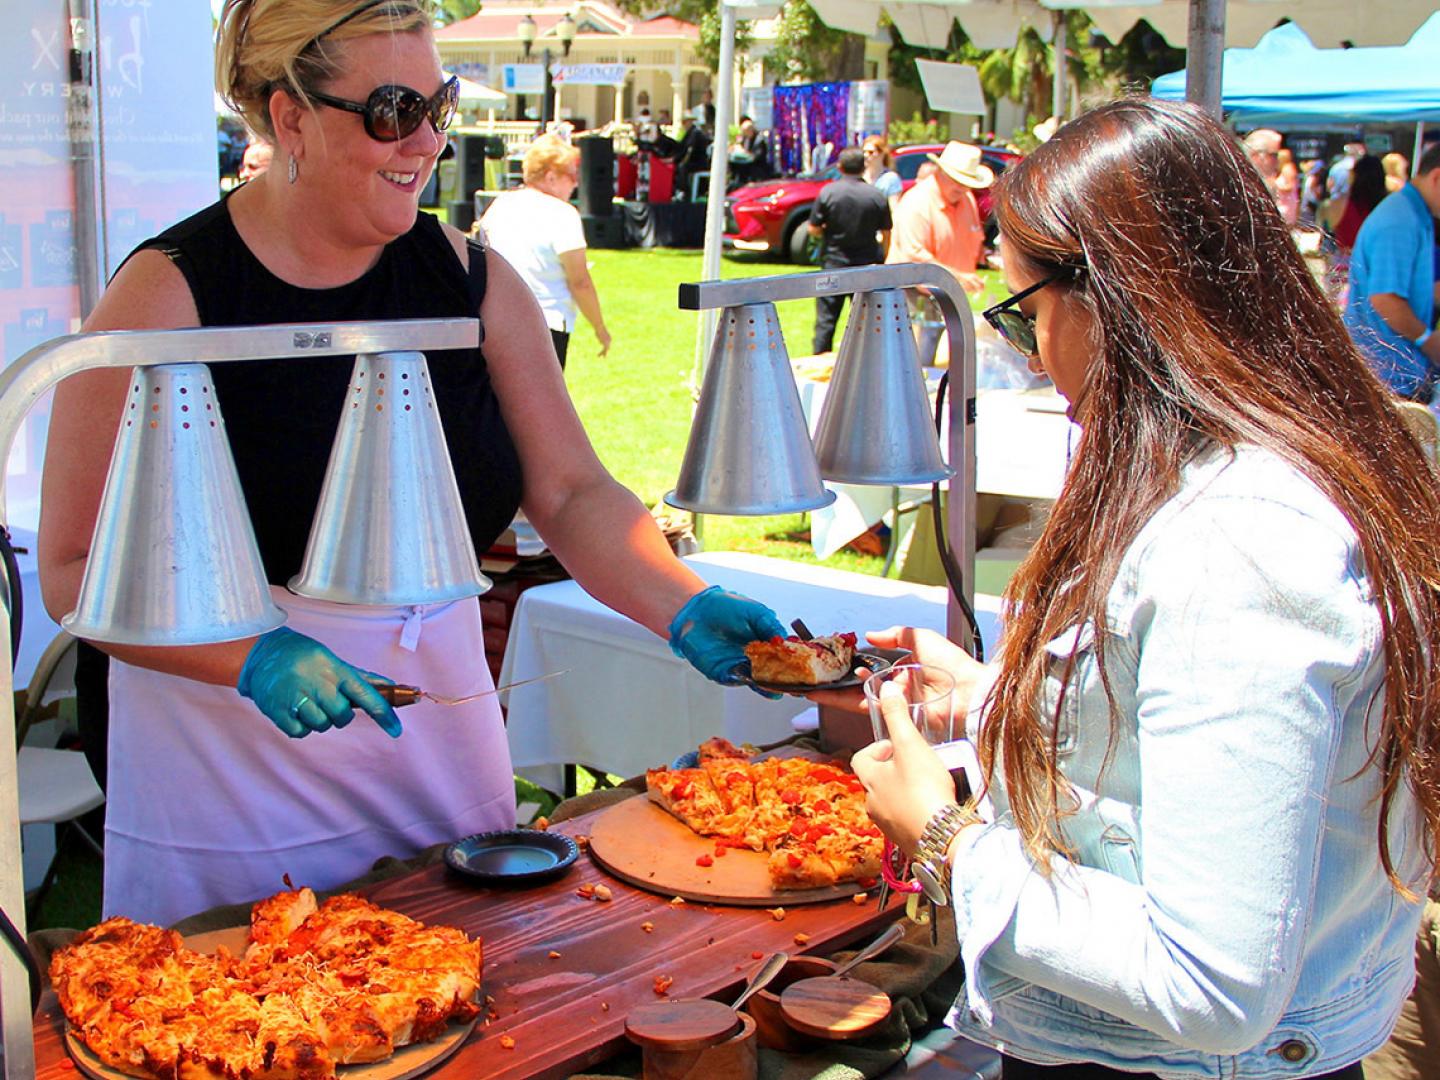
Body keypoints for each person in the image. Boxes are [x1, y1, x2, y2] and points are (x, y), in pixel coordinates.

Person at [38, 0, 784, 927]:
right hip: (226, 757)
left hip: (431, 737)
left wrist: (684, 601)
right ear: (289, 116)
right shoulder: (167, 295)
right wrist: (250, 656)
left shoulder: (474, 282)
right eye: (394, 110)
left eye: (442, 103)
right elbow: (71, 572)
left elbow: (570, 489)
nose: (428, 141)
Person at [838, 98, 1440, 1078]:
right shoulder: (1279, 471)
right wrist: (1003, 701)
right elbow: (1227, 755)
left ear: (1112, 298)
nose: (1034, 353)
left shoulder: (1239, 551)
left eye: (1024, 311)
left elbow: (1211, 982)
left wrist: (944, 835)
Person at [480, 134, 611, 369]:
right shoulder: (563, 214)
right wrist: (600, 327)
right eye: (571, 175)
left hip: (496, 320)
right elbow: (579, 281)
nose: (576, 183)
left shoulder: (500, 205)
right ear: (551, 177)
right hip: (545, 325)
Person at [1342, 143, 1440, 401]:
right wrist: (1429, 341)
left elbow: (1414, 288)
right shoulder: (1401, 219)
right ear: (1437, 178)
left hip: (1397, 376)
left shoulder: (1416, 214)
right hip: (1387, 378)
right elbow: (1385, 298)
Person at [807, 147, 891, 354]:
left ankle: (820, 359)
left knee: (826, 320)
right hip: (867, 265)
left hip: (834, 264)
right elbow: (887, 231)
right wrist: (884, 255)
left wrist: (824, 235)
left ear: (840, 167)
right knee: (868, 320)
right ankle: (869, 358)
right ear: (863, 167)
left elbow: (813, 228)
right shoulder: (876, 195)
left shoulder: (828, 192)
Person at [886, 140, 992, 295]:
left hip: (950, 293)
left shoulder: (967, 198)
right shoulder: (916, 202)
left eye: (967, 182)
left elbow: (972, 238)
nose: (961, 187)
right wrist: (958, 277)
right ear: (940, 172)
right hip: (913, 294)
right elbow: (915, 258)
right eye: (956, 180)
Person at [1320, 154, 1390, 303]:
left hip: (1344, 270)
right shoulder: (1388, 207)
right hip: (1376, 270)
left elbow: (1328, 241)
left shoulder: (1338, 203)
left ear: (1355, 175)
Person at [861, 135, 902, 208]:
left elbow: (893, 207)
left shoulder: (891, 179)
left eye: (871, 152)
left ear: (882, 154)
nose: (866, 155)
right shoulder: (860, 175)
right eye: (864, 152)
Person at [1275, 146, 1300, 225]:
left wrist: (1275, 186)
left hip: (1287, 203)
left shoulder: (1287, 169)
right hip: (1283, 202)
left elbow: (1290, 187)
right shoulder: (1283, 169)